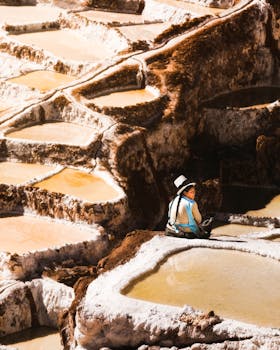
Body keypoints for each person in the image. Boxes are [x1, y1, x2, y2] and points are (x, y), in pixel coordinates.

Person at [165, 175, 213, 239]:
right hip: (187, 231)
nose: (194, 194)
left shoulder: (172, 202)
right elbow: (199, 220)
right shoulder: (191, 203)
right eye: (192, 192)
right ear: (185, 193)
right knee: (207, 222)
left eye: (194, 191)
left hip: (174, 229)